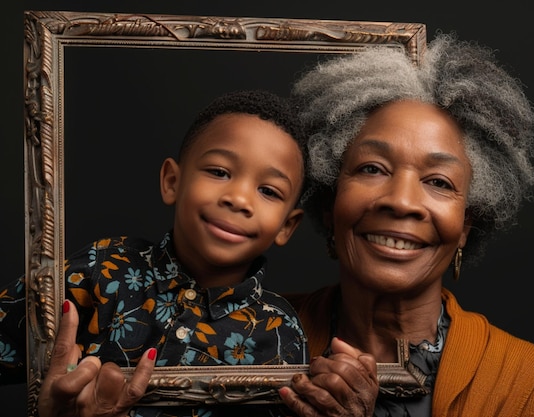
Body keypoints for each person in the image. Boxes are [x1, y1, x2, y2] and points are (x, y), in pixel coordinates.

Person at [276, 33, 534, 416]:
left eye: (439, 182)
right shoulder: (247, 337)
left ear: (465, 225)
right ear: (330, 199)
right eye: (372, 168)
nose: (402, 201)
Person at [0, 89, 310, 416]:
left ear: (287, 226)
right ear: (172, 181)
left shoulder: (280, 334)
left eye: (268, 191)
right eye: (219, 172)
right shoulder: (103, 267)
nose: (239, 199)